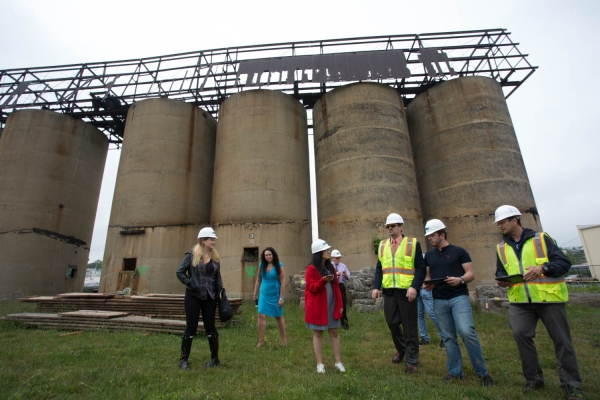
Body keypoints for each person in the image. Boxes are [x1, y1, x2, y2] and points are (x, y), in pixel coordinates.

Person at [494, 205, 582, 399]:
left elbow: (564, 263)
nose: (499, 225)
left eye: (502, 222)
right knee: (520, 335)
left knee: (562, 342)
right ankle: (534, 380)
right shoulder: (501, 247)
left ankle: (572, 386)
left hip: (548, 298)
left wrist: (543, 268)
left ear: (514, 220)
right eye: (498, 223)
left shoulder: (541, 239)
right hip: (520, 301)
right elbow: (500, 271)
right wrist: (501, 279)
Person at [423, 219, 494, 386]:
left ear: (442, 234)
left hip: (458, 297)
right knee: (448, 337)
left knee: (466, 331)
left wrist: (460, 279)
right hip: (439, 299)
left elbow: (471, 273)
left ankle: (482, 372)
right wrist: (428, 284)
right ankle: (455, 371)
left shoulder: (459, 252)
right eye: (428, 236)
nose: (429, 238)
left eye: (432, 235)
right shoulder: (429, 256)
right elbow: (427, 276)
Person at [372, 213, 425, 374]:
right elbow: (380, 268)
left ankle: (412, 360)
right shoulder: (382, 246)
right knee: (392, 322)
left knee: (409, 327)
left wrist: (415, 287)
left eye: (393, 226)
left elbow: (421, 268)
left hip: (407, 291)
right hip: (389, 292)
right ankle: (402, 349)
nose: (390, 229)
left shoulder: (412, 243)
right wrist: (376, 287)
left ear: (400, 227)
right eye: (388, 226)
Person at [175, 227, 223, 369]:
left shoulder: (215, 258)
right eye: (210, 239)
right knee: (191, 327)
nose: (213, 241)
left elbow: (217, 278)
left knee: (211, 327)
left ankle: (215, 358)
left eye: (214, 239)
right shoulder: (191, 256)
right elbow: (180, 272)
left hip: (210, 297)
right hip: (193, 297)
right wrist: (191, 283)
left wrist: (220, 292)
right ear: (202, 241)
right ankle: (183, 360)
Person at [305, 239, 345, 374]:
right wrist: (322, 281)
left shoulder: (331, 267)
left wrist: (340, 304)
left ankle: (338, 361)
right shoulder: (311, 269)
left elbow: (337, 289)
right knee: (318, 333)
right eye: (326, 250)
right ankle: (319, 363)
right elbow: (311, 288)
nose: (329, 252)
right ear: (319, 253)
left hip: (332, 304)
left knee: (334, 332)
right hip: (318, 306)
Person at [252, 247, 287, 347]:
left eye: (269, 254)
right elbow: (258, 280)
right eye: (266, 255)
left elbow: (283, 282)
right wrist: (255, 293)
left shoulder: (279, 266)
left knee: (278, 316)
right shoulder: (261, 265)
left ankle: (284, 340)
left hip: (276, 294)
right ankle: (261, 341)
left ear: (273, 255)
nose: (268, 256)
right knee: (261, 315)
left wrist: (281, 298)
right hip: (264, 294)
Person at [417, 279, 445, 348]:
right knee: (419, 314)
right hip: (417, 287)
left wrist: (431, 284)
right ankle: (424, 338)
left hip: (427, 287)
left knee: (432, 313)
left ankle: (444, 337)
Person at [331, 249, 351, 330]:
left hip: (340, 285)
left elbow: (348, 277)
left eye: (339, 258)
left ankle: (344, 322)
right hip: (332, 286)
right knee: (333, 304)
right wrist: (335, 274)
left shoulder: (343, 266)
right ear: (333, 258)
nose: (338, 259)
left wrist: (345, 275)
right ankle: (333, 322)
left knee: (342, 304)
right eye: (336, 258)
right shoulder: (329, 266)